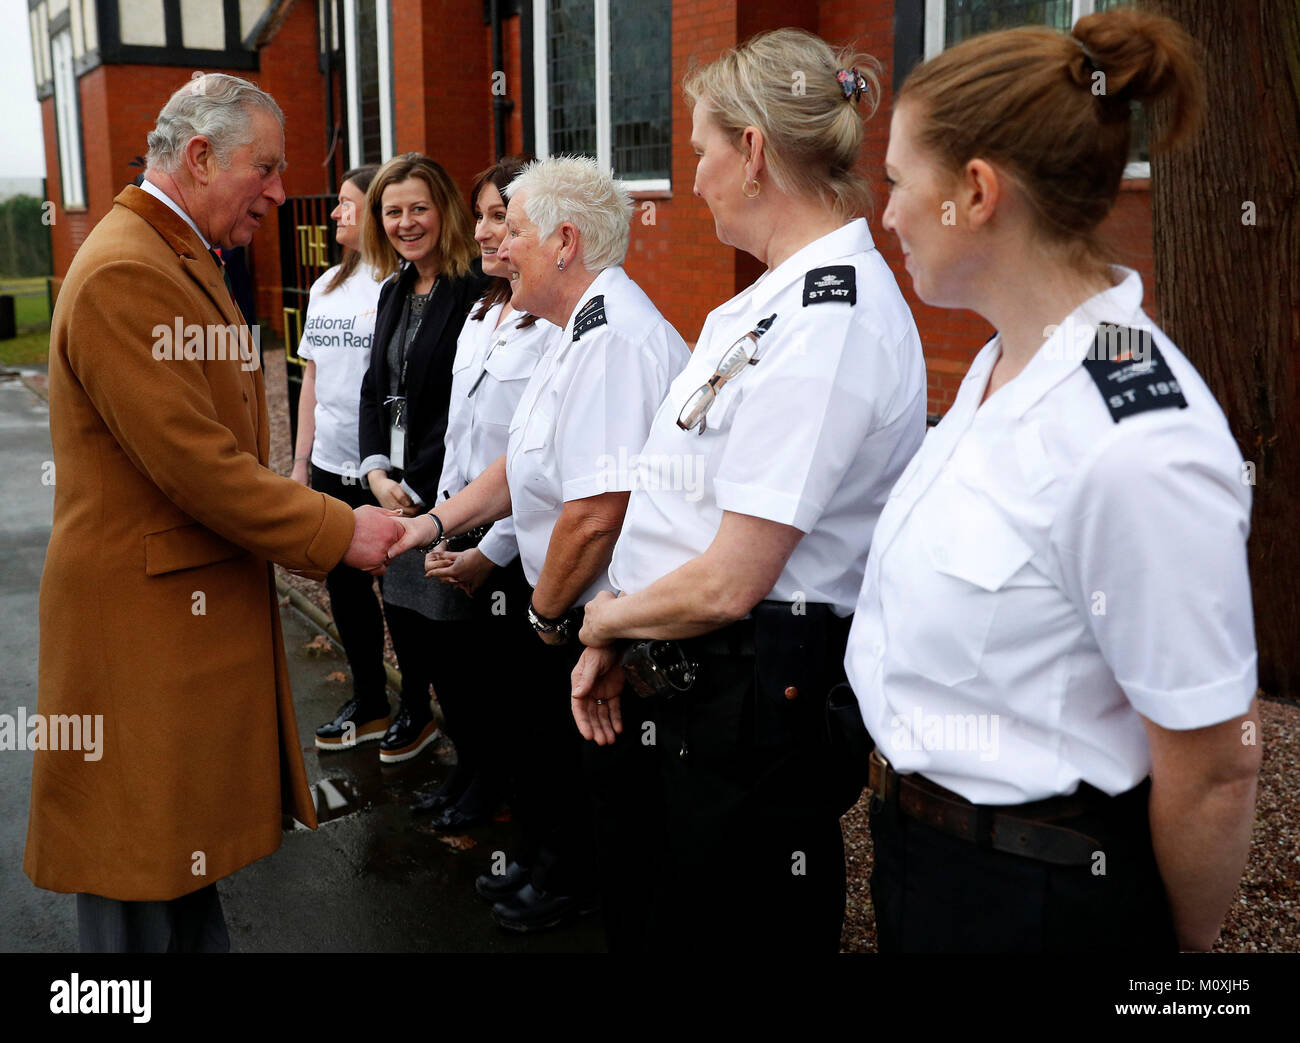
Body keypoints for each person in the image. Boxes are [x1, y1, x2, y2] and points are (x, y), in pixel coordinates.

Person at [845, 8, 1260, 952]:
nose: (889, 212)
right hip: (927, 860)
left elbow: (1216, 766)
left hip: (1039, 898)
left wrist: (1177, 965)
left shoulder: (1139, 439)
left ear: (978, 192)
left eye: (902, 181)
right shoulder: (1008, 362)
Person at [25, 73, 404, 953]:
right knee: (134, 881)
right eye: (264, 168)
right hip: (138, 637)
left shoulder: (171, 251)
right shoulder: (129, 267)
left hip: (163, 626)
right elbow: (198, 466)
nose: (280, 192)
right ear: (198, 157)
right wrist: (338, 529)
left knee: (171, 873)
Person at [568, 28, 928, 952]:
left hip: (751, 700)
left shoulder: (830, 315)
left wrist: (603, 619)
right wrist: (625, 619)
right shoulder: (767, 300)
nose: (691, 180)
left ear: (755, 152)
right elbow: (679, 508)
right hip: (695, 681)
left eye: (699, 153)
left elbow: (733, 577)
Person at [386, 155, 689, 934]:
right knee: (560, 757)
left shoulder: (614, 339)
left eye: (512, 229)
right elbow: (522, 465)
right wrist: (431, 523)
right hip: (566, 595)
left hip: (590, 603)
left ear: (562, 241)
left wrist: (547, 620)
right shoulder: (572, 328)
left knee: (600, 777)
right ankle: (562, 875)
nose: (497, 246)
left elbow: (596, 513)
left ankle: (580, 890)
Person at [411, 154, 561, 831]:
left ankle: (502, 794)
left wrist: (489, 550)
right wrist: (440, 522)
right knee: (458, 671)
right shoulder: (481, 311)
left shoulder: (552, 323)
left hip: (508, 538)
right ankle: (471, 774)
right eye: (480, 217)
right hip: (461, 520)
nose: (485, 231)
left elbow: (537, 457)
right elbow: (460, 429)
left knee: (506, 686)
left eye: (501, 216)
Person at [351, 154, 490, 764]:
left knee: (453, 643)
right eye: (392, 211)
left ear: (444, 212)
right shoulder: (393, 290)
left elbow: (468, 407)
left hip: (447, 495)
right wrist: (377, 471)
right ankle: (419, 718)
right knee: (403, 617)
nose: (406, 222)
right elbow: (372, 389)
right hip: (395, 490)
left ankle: (476, 764)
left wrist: (424, 486)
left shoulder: (475, 291)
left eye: (418, 208)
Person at [288, 164, 393, 750]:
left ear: (374, 211)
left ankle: (418, 712)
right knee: (347, 594)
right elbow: (312, 380)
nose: (335, 214)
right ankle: (371, 699)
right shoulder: (326, 284)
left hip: (386, 475)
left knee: (402, 599)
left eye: (347, 205)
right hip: (329, 467)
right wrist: (301, 465)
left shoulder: (402, 285)